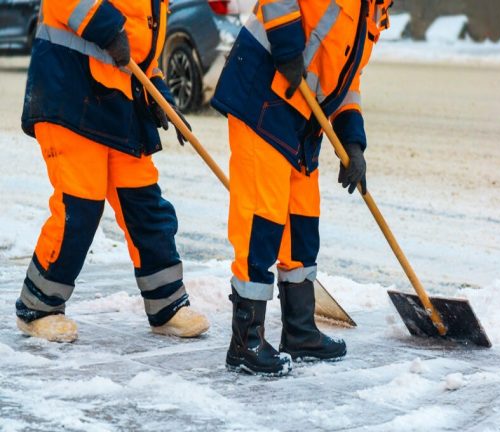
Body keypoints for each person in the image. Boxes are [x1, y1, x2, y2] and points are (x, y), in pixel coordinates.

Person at [211, 0, 392, 375]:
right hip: (263, 92)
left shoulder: (374, 12)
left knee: (302, 223)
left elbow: (346, 81)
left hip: (301, 117)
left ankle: (299, 330)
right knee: (262, 218)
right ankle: (246, 340)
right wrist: (288, 46)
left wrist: (353, 143)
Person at [16, 0, 209, 342]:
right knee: (80, 206)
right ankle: (39, 307)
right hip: (70, 91)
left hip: (119, 103)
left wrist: (159, 92)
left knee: (145, 204)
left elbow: (140, 49)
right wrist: (105, 25)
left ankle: (167, 305)